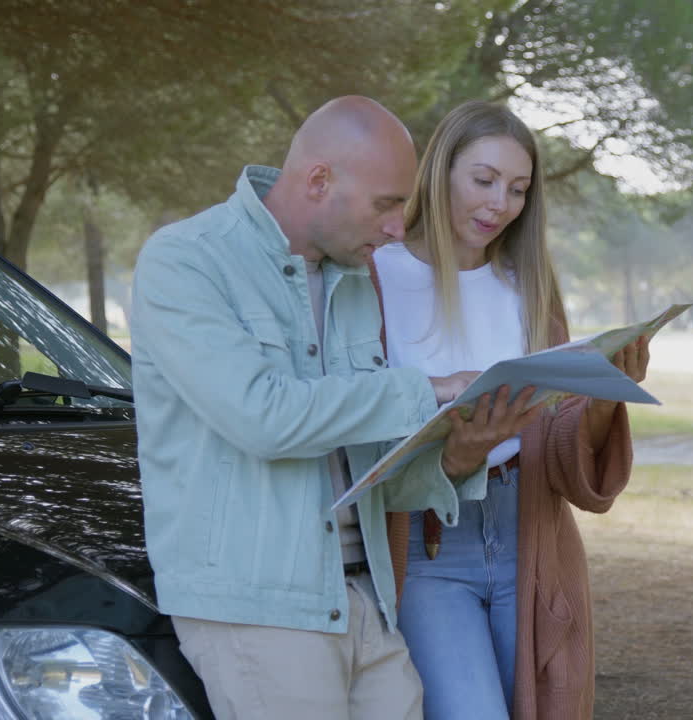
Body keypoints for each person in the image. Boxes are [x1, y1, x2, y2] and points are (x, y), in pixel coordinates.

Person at [130, 95, 491, 720]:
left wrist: (459, 455)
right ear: (319, 180)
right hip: (259, 609)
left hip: (363, 597)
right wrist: (425, 389)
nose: (397, 228)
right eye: (385, 204)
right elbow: (263, 418)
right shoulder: (187, 260)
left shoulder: (354, 281)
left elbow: (365, 467)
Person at [371, 100, 647, 720]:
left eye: (518, 189)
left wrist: (605, 394)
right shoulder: (375, 278)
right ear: (440, 172)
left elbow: (562, 444)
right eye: (484, 179)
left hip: (531, 534)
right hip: (426, 541)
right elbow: (357, 427)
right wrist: (456, 454)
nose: (500, 204)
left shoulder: (528, 288)